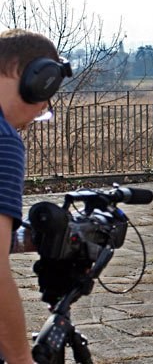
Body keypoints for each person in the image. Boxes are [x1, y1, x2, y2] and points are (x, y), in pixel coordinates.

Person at [0, 29, 71, 363]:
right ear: (35, 78)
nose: (45, 105)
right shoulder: (4, 141)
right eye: (49, 91)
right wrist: (20, 359)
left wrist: (17, 239)